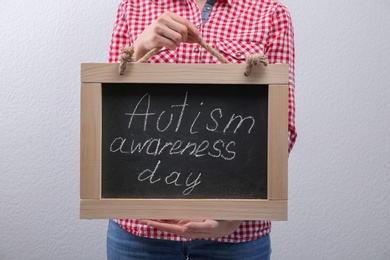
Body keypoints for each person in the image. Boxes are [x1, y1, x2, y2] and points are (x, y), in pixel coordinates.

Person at [107, 0, 296, 259]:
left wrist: (234, 215)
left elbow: (279, 124)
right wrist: (139, 49)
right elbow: (111, 114)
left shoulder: (270, 12)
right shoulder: (134, 6)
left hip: (235, 236)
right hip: (140, 233)